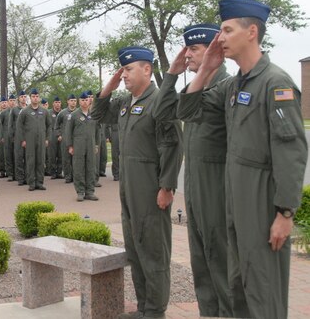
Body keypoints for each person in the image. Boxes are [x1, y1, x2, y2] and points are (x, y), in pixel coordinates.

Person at [177, 0, 307, 319]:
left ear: (251, 32)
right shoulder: (233, 86)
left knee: (263, 290)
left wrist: (285, 213)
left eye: (226, 30)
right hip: (234, 201)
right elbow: (188, 110)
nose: (219, 38)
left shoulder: (275, 83)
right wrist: (206, 68)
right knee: (238, 289)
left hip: (261, 201)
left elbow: (291, 151)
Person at [91, 46, 183, 319]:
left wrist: (167, 186)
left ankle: (155, 311)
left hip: (151, 186)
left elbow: (173, 146)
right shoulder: (124, 103)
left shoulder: (161, 101)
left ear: (147, 69)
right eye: (122, 71)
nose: (124, 75)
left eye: (129, 69)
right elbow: (97, 115)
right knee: (135, 249)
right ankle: (143, 307)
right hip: (128, 187)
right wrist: (109, 86)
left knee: (153, 250)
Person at [152, 23, 233, 317]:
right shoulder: (194, 87)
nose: (187, 55)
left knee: (222, 266)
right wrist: (172, 73)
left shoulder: (228, 86)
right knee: (201, 266)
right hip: (197, 190)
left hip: (219, 188)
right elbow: (160, 113)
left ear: (214, 50)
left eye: (193, 50)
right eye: (185, 51)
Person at [64, 92, 100, 201]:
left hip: (90, 144)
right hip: (78, 145)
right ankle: (80, 192)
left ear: (89, 101)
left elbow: (97, 131)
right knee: (78, 168)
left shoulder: (93, 114)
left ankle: (90, 192)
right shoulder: (74, 115)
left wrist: (97, 144)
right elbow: (68, 131)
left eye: (86, 100)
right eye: (82, 100)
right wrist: (70, 146)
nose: (85, 102)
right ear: (79, 101)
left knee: (91, 168)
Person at [16, 88, 51, 191]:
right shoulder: (25, 111)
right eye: (33, 96)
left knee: (40, 161)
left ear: (39, 98)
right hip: (29, 140)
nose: (35, 98)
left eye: (37, 96)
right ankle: (31, 183)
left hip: (41, 139)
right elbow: (19, 126)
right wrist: (23, 140)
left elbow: (49, 125)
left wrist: (47, 138)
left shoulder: (44, 111)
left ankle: (39, 183)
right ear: (30, 98)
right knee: (30, 161)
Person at [56, 93, 77, 183]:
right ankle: (68, 176)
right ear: (68, 101)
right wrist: (59, 135)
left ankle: (76, 176)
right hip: (65, 139)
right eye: (71, 101)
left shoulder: (78, 112)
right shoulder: (63, 113)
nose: (73, 102)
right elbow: (56, 125)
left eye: (75, 101)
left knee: (76, 159)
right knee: (66, 159)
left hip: (76, 139)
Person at [10, 90, 28, 185]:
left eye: (25, 97)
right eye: (22, 97)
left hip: (29, 136)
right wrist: (12, 136)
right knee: (19, 157)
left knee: (28, 157)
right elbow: (10, 124)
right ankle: (20, 178)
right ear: (19, 99)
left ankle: (28, 177)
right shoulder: (14, 110)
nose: (23, 98)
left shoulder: (30, 108)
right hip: (18, 136)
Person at [48, 96, 63, 179]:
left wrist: (61, 134)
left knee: (61, 155)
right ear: (53, 103)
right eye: (56, 102)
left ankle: (59, 172)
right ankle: (53, 172)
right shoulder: (49, 113)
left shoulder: (63, 113)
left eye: (59, 102)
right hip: (52, 135)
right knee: (52, 155)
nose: (58, 104)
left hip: (62, 135)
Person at [3, 94, 17, 181]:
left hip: (16, 136)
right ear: (8, 102)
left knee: (17, 155)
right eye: (10, 101)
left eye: (13, 100)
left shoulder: (18, 111)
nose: (12, 102)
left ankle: (17, 173)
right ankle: (10, 174)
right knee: (8, 155)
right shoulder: (4, 113)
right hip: (7, 136)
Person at [0, 96, 9, 178]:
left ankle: (8, 170)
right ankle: (2, 171)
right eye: (2, 102)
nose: (4, 104)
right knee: (1, 154)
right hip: (1, 136)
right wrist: (0, 136)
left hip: (8, 136)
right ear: (0, 104)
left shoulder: (10, 112)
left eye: (5, 102)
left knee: (8, 154)